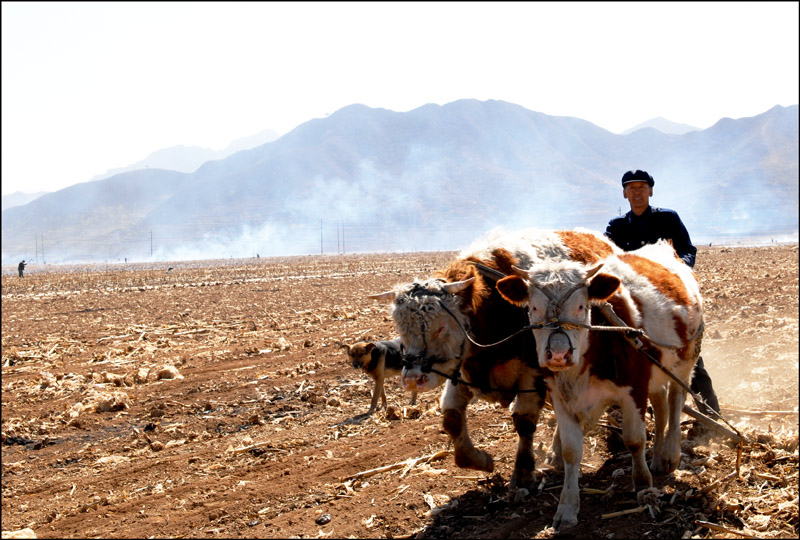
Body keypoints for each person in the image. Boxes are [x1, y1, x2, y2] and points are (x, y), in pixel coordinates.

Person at [604, 170, 720, 417]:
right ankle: (620, 419)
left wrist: (677, 270)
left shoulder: (668, 219)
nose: (637, 193)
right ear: (624, 193)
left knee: (687, 355)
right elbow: (605, 259)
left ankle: (711, 416)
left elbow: (688, 250)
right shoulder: (617, 227)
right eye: (631, 188)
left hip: (664, 301)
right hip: (632, 306)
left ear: (651, 191)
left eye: (642, 188)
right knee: (619, 357)